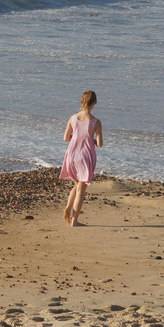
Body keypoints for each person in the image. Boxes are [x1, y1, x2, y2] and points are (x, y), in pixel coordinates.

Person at [60, 89, 103, 227]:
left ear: (82, 101)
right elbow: (100, 144)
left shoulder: (73, 118)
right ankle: (74, 221)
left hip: (72, 156)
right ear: (94, 103)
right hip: (85, 157)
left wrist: (77, 138)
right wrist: (92, 140)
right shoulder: (96, 122)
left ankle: (67, 208)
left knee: (77, 184)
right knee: (81, 190)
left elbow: (66, 138)